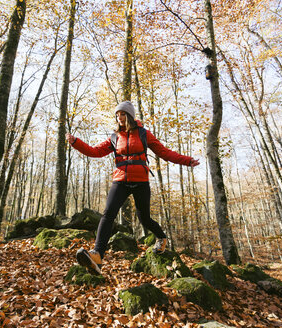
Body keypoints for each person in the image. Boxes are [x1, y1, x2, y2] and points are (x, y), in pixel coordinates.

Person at [66, 101, 199, 274]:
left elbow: (164, 152)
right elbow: (94, 151)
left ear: (129, 115)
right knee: (108, 214)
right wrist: (76, 142)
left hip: (141, 180)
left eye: (122, 114)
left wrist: (187, 160)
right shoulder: (115, 137)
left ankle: (161, 237)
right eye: (117, 115)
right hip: (120, 180)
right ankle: (97, 255)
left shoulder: (144, 133)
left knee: (144, 219)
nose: (119, 118)